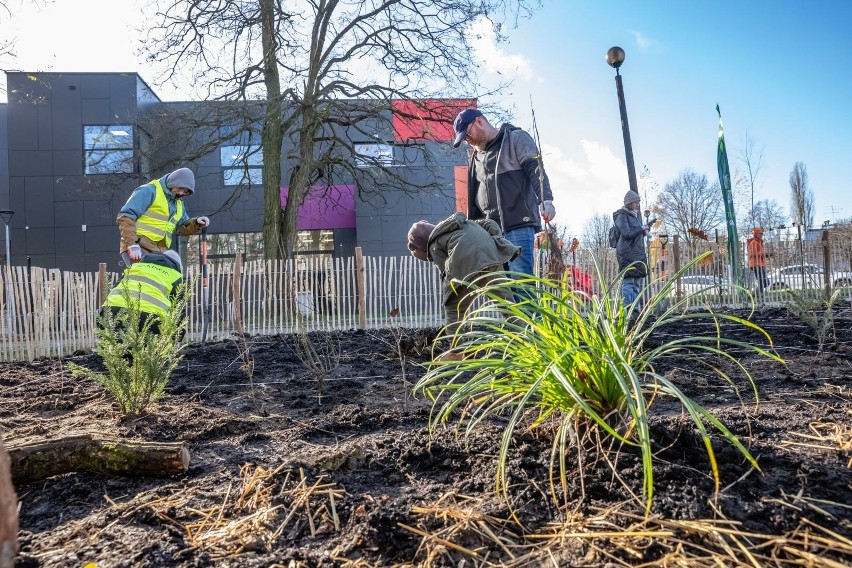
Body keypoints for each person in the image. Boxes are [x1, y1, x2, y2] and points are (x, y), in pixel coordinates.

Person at [451, 108, 555, 279]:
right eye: (463, 139)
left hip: (518, 226)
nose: (467, 140)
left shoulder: (515, 138)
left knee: (521, 285)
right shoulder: (476, 157)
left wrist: (546, 199)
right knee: (501, 291)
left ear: (479, 122)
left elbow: (535, 169)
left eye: (467, 134)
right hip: (489, 234)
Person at [407, 212, 520, 330]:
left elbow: (446, 272)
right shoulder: (462, 223)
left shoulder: (434, 244)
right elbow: (490, 223)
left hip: (467, 268)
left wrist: (448, 294)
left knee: (453, 310)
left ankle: (457, 347)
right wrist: (496, 238)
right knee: (507, 304)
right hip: (491, 259)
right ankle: (525, 338)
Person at [117, 167, 210, 266]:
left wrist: (196, 223)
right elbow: (125, 217)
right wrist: (132, 245)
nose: (181, 193)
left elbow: (182, 227)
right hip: (139, 247)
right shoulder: (149, 191)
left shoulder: (178, 204)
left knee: (164, 279)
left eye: (185, 192)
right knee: (144, 279)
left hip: (159, 252)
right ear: (172, 182)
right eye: (180, 189)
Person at [101, 249, 185, 337]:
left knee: (113, 347)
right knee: (148, 348)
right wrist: (177, 336)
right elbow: (178, 309)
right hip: (148, 318)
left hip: (110, 310)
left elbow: (115, 288)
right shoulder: (175, 275)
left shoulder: (135, 266)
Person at [613, 190, 653, 311]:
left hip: (636, 253)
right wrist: (641, 228)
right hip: (627, 253)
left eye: (638, 202)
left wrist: (646, 228)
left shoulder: (633, 217)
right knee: (629, 283)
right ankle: (626, 311)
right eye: (636, 202)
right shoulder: (621, 216)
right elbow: (627, 233)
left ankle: (635, 311)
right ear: (629, 203)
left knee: (636, 284)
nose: (638, 205)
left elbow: (636, 235)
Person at [747, 227, 769, 300]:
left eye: (761, 233)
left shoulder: (759, 242)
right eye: (759, 233)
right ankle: (759, 296)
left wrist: (766, 255)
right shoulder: (754, 242)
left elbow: (760, 254)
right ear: (756, 234)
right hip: (755, 264)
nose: (761, 235)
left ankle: (753, 294)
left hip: (761, 264)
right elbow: (753, 253)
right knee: (762, 281)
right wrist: (764, 254)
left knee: (766, 282)